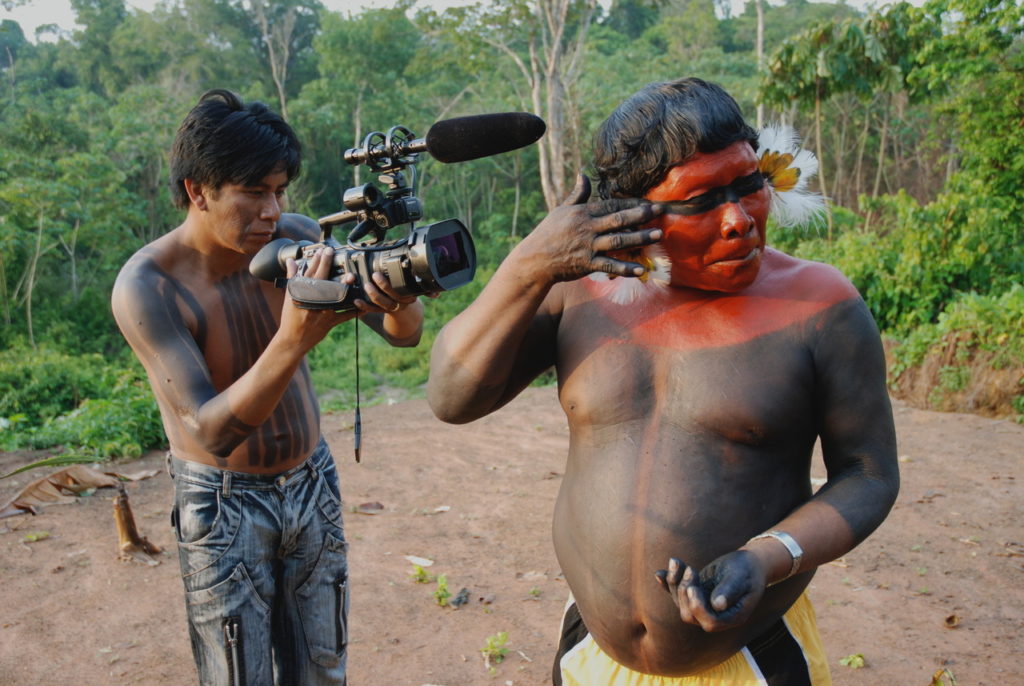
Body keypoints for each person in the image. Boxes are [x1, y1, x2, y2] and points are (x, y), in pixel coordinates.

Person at [427, 77, 899, 685]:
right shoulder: (577, 293)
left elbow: (870, 474)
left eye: (749, 184)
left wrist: (767, 557)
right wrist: (528, 266)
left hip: (749, 659)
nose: (738, 220)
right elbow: (450, 397)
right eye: (701, 200)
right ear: (631, 214)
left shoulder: (818, 306)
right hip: (591, 658)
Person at [111, 89, 425, 685]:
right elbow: (211, 429)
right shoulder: (148, 286)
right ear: (196, 191)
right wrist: (294, 337)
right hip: (223, 502)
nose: (272, 210)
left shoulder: (297, 237)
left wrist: (396, 289)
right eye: (253, 191)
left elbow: (403, 335)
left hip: (311, 480)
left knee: (323, 670)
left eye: (280, 190)